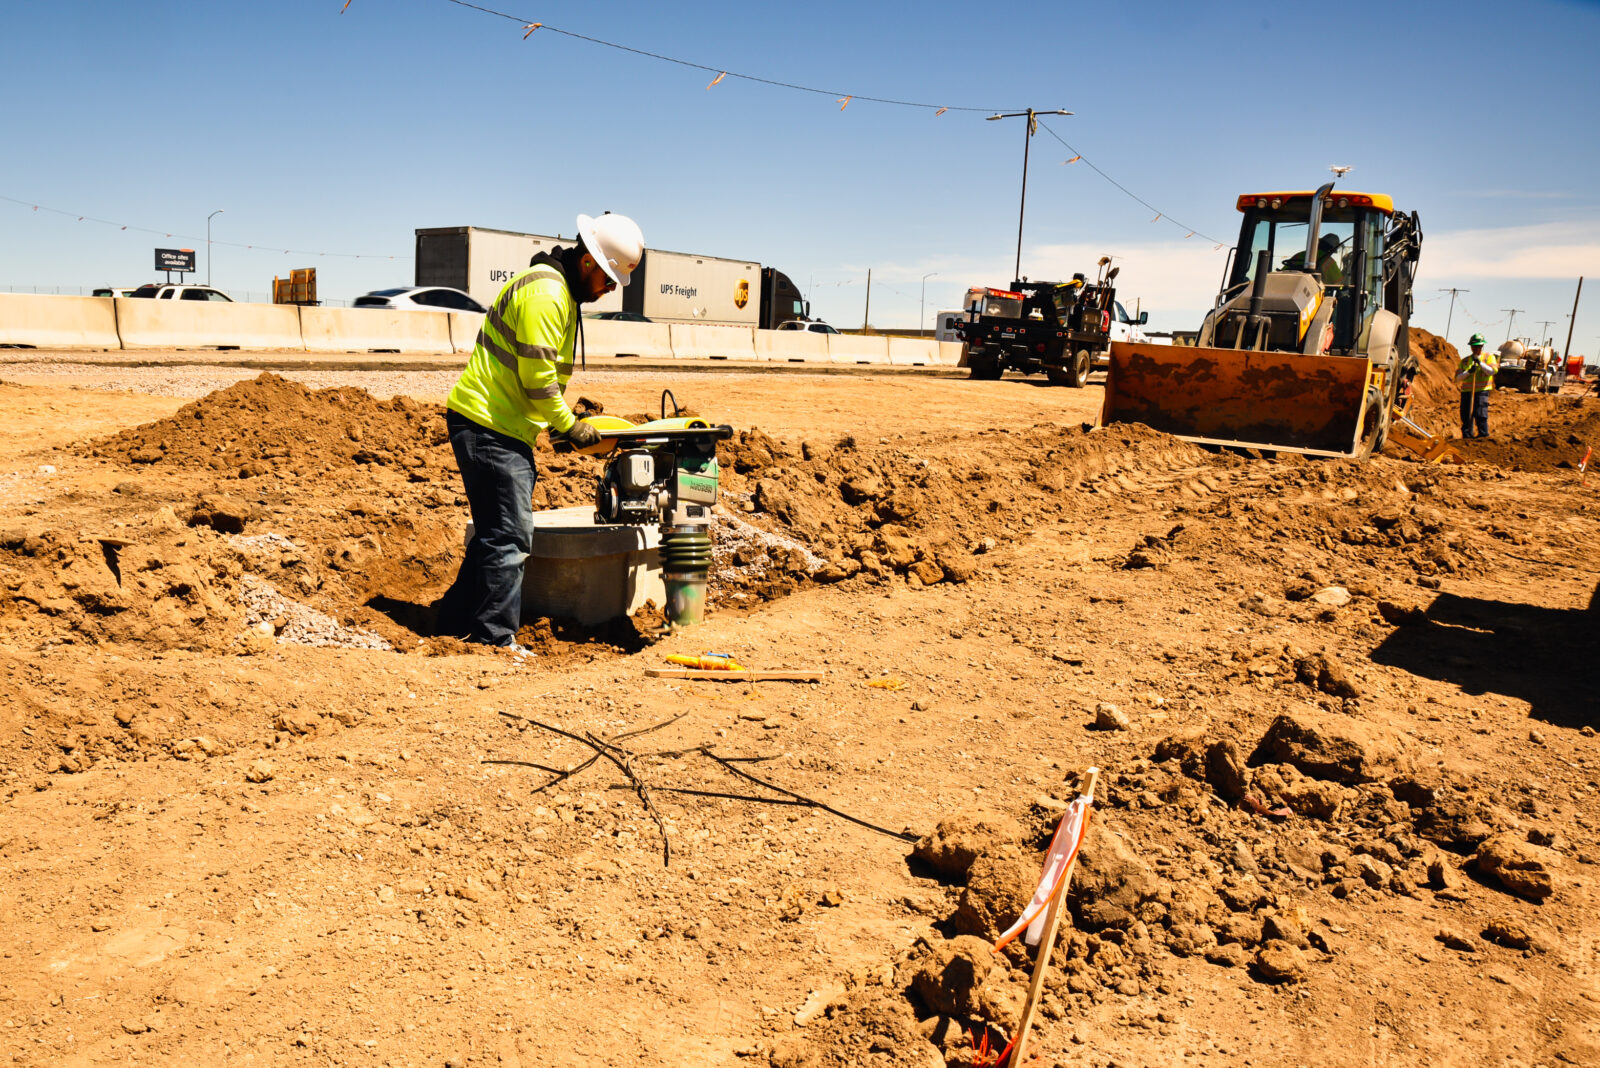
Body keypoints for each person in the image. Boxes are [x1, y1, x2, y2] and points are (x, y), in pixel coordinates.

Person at [435, 212, 645, 649]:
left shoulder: (557, 291)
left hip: (499, 425)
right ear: (587, 262)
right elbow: (537, 381)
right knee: (510, 535)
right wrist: (569, 425)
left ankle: (452, 619)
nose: (609, 290)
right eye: (607, 278)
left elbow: (533, 377)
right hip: (489, 427)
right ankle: (495, 638)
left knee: (494, 532)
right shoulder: (548, 293)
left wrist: (551, 427)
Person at [1454, 332, 1498, 440]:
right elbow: (1457, 378)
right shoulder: (1465, 361)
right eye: (1474, 346)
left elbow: (1492, 371)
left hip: (1482, 391)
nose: (1475, 348)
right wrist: (1469, 372)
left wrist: (1480, 363)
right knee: (1466, 414)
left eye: (1478, 346)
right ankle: (1467, 436)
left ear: (1482, 346)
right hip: (1467, 392)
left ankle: (1483, 435)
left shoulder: (1488, 357)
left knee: (1480, 414)